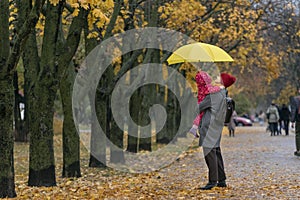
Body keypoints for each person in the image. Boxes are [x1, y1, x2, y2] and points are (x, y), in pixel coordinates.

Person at [198, 72, 236, 190]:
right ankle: (221, 179)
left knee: (209, 153)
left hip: (209, 125)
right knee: (216, 151)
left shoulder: (215, 94)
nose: (216, 78)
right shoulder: (223, 93)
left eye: (219, 77)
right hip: (216, 126)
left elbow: (199, 107)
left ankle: (212, 181)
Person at [189, 71, 221, 137]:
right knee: (201, 114)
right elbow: (211, 90)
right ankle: (194, 127)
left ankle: (194, 127)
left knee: (201, 114)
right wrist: (219, 88)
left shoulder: (200, 86)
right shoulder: (206, 86)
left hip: (200, 99)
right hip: (203, 100)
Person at [290, 88, 300, 156]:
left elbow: (293, 111)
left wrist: (292, 121)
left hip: (298, 118)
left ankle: (299, 150)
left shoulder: (295, 99)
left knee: (298, 134)